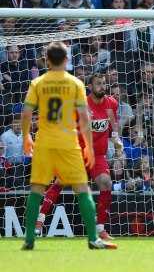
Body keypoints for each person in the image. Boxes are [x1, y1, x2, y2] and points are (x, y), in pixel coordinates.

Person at [21, 42, 116, 250]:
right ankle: (93, 238)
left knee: (36, 190)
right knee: (82, 190)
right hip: (69, 144)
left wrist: (26, 136)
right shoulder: (75, 84)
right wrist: (89, 147)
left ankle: (29, 239)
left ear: (47, 61)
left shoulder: (37, 82)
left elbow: (27, 112)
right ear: (66, 60)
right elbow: (83, 118)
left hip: (44, 142)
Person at [34, 73, 122, 241]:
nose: (102, 86)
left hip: (98, 155)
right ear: (90, 86)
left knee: (106, 182)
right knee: (60, 182)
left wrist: (116, 139)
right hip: (77, 152)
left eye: (104, 83)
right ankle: (39, 220)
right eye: (98, 84)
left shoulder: (112, 103)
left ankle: (100, 228)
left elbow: (113, 126)